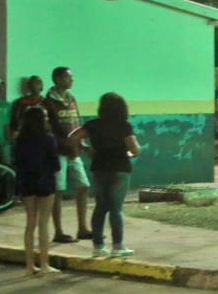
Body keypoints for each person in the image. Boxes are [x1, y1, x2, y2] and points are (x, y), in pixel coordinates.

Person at [69, 92, 141, 257]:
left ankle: (98, 246)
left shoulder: (93, 124)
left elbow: (72, 138)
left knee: (100, 207)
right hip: (119, 168)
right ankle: (117, 246)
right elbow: (134, 148)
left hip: (100, 167)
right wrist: (136, 151)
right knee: (116, 208)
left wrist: (86, 148)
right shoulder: (124, 126)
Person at [45, 67, 92, 243]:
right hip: (58, 151)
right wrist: (64, 142)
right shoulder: (48, 102)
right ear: (57, 79)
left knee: (84, 186)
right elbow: (49, 128)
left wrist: (82, 143)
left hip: (74, 150)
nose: (72, 81)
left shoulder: (71, 99)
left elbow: (76, 123)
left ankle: (82, 228)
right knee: (58, 190)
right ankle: (59, 231)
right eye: (68, 77)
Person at [13, 105, 61, 276]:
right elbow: (55, 164)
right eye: (45, 117)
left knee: (30, 223)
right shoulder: (48, 139)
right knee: (43, 223)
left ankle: (29, 266)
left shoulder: (20, 139)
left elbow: (17, 162)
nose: (47, 119)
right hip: (45, 182)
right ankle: (44, 265)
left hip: (26, 183)